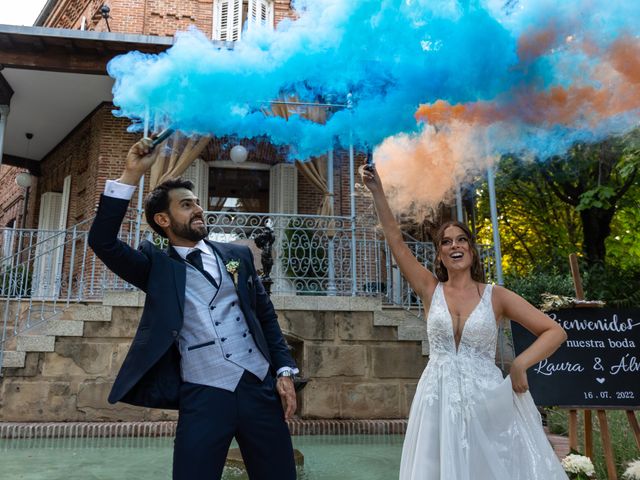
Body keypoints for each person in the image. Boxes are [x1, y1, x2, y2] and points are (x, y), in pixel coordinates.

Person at [89, 138, 298, 480]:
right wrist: (131, 173)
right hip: (203, 392)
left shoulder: (239, 256)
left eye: (198, 203)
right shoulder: (155, 267)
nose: (199, 209)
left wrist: (284, 370)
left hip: (258, 386)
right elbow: (102, 242)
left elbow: (265, 316)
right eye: (186, 205)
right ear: (164, 219)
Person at [361, 164, 569, 480]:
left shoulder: (496, 296)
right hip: (437, 398)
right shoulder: (430, 289)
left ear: (471, 250)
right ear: (440, 255)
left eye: (461, 240)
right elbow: (396, 242)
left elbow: (554, 331)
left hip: (486, 401)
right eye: (446, 242)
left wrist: (520, 364)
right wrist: (377, 191)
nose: (454, 245)